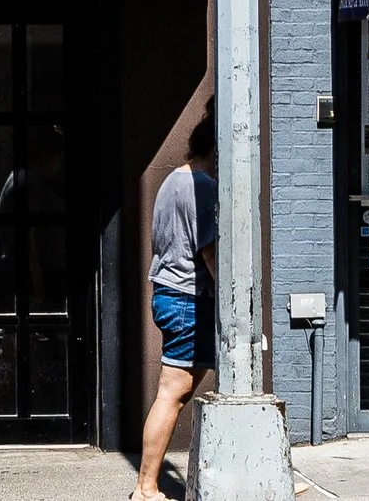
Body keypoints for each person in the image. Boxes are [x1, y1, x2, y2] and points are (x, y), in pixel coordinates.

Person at [136, 114, 216, 500]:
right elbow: (209, 250)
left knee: (179, 391)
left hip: (171, 293)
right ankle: (146, 488)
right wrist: (231, 301)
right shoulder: (201, 186)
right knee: (172, 392)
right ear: (217, 151)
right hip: (189, 298)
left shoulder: (173, 179)